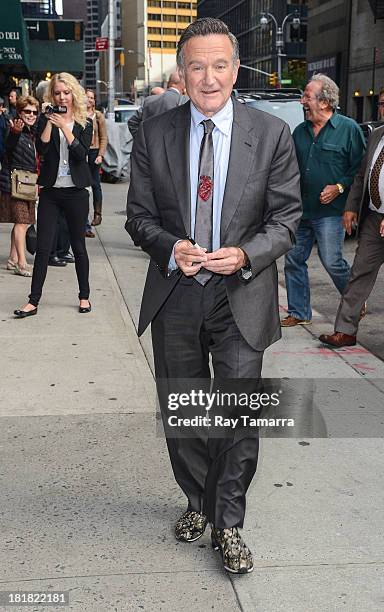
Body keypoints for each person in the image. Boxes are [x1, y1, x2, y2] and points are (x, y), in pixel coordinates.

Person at [126, 17, 302, 574]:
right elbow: (138, 217)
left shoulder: (271, 134)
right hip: (176, 292)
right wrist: (169, 244)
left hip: (241, 296)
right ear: (182, 72)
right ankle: (197, 500)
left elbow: (287, 217)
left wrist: (247, 253)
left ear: (235, 68)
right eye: (196, 66)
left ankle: (228, 522)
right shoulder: (153, 133)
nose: (208, 77)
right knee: (183, 413)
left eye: (219, 64)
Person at [319, 82, 384, 347]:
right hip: (375, 221)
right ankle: (345, 331)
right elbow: (362, 175)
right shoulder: (377, 135)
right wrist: (350, 207)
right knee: (358, 275)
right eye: (382, 103)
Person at [281, 74, 366, 327]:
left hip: (332, 211)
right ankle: (299, 312)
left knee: (332, 261)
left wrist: (339, 187)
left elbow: (360, 169)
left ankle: (355, 301)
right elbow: (288, 168)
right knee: (293, 259)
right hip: (301, 210)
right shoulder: (300, 131)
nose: (301, 101)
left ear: (325, 102)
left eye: (307, 96)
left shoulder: (348, 129)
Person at [14, 72, 93, 318]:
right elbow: (43, 148)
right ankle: (33, 301)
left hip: (76, 193)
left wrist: (65, 129)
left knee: (79, 247)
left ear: (74, 94)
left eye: (66, 93)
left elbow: (81, 155)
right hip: (50, 192)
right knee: (44, 248)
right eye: (57, 93)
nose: (62, 97)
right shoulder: (46, 120)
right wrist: (49, 120)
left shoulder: (84, 122)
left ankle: (84, 296)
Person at [0, 95, 39, 276]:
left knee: (20, 223)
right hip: (14, 184)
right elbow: (8, 147)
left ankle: (12, 258)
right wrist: (15, 131)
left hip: (26, 185)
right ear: (19, 112)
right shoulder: (13, 129)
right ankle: (22, 263)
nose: (31, 115)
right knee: (22, 223)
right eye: (27, 111)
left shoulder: (31, 132)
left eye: (34, 112)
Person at [85, 89, 107, 229]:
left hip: (94, 153)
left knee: (95, 184)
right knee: (82, 188)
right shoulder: (78, 114)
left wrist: (100, 154)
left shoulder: (98, 116)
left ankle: (97, 214)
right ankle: (83, 221)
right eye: (87, 97)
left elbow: (104, 137)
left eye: (92, 98)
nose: (89, 100)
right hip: (81, 153)